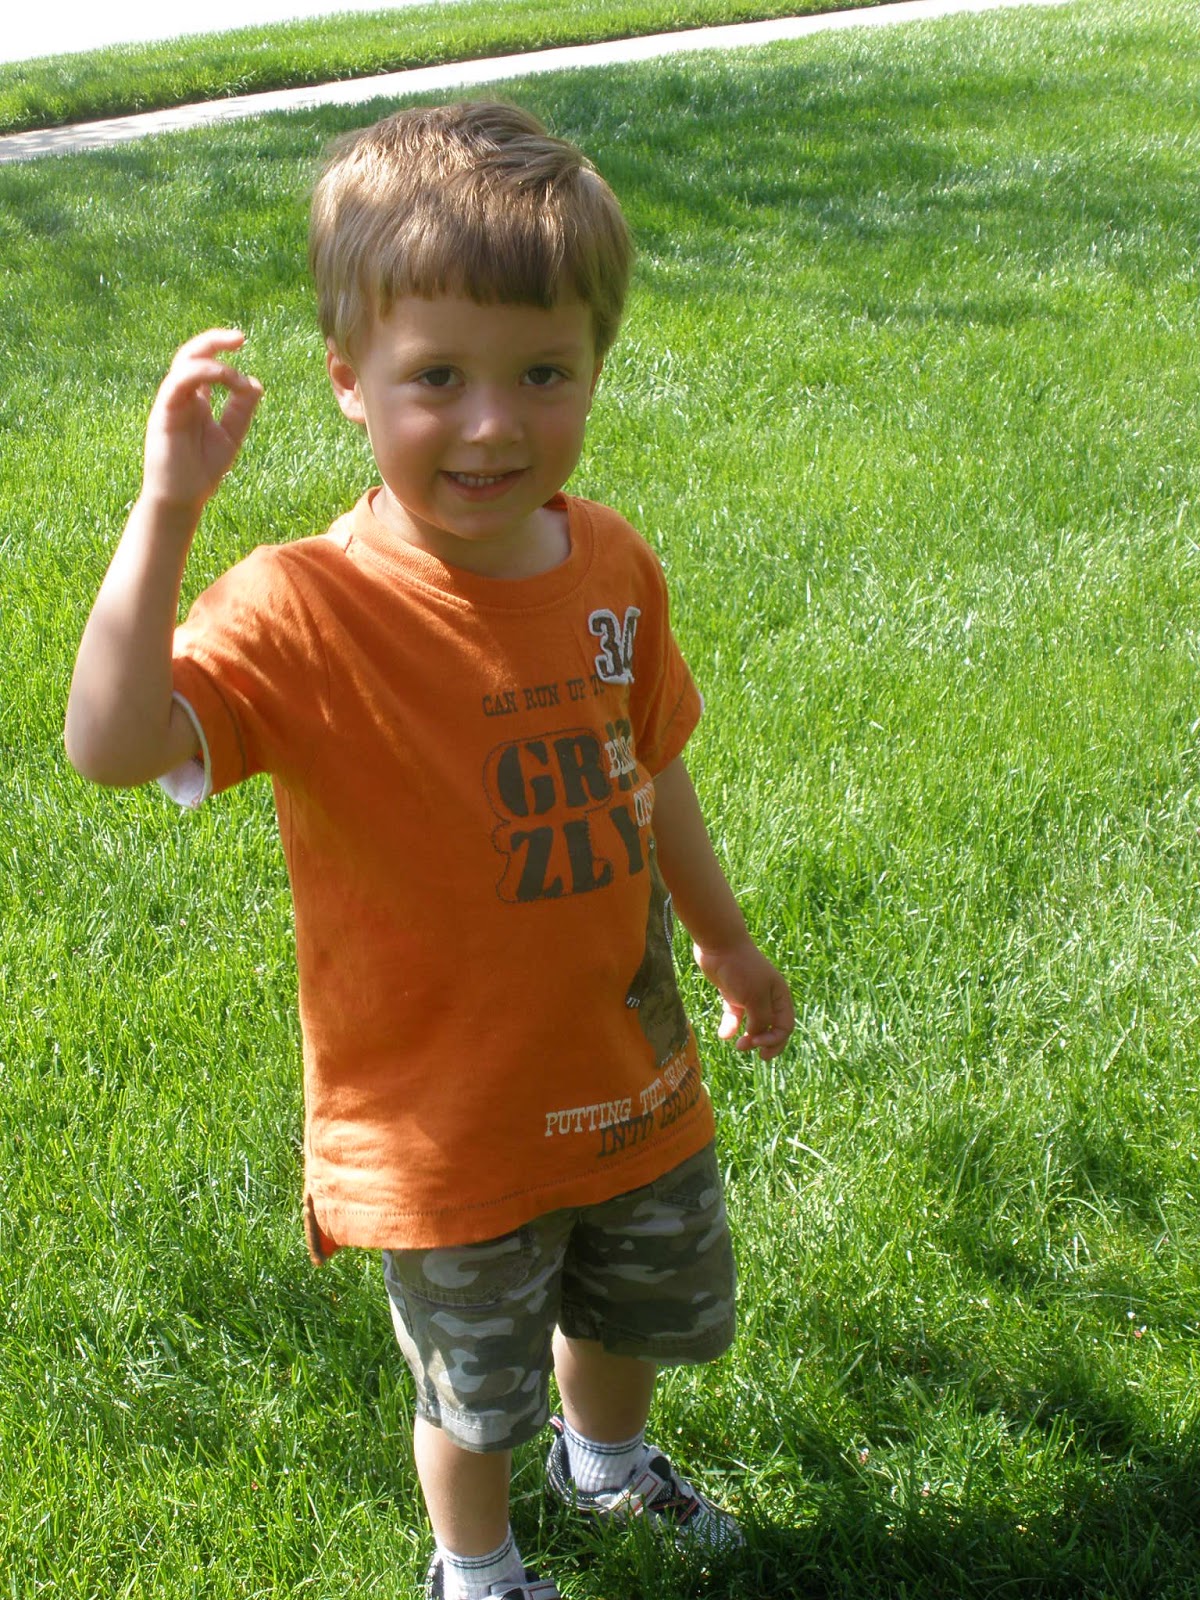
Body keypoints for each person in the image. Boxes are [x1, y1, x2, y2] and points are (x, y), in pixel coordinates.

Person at [64, 101, 795, 1600]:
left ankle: (608, 1467)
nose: (492, 425)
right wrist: (166, 511)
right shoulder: (306, 608)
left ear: (595, 366)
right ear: (348, 377)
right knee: (473, 1393)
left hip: (628, 1073)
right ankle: (479, 1566)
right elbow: (112, 745)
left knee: (627, 1316)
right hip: (445, 1124)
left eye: (543, 373)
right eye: (438, 378)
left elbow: (651, 770)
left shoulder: (610, 562)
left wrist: (726, 943)